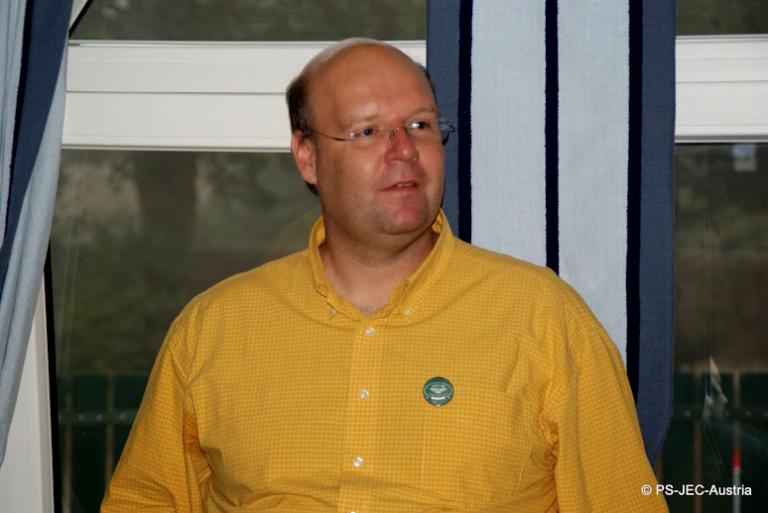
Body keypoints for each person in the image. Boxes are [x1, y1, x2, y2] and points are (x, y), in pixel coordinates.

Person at [101, 38, 668, 513]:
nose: (404, 151)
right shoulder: (214, 328)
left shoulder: (544, 318)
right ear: (307, 157)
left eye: (419, 124)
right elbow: (144, 501)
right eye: (368, 131)